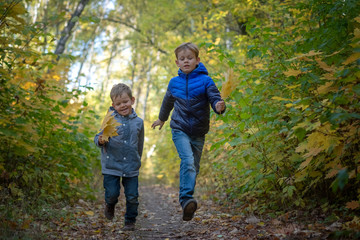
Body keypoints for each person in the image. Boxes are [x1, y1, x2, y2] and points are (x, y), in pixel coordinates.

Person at [151, 42, 226, 221]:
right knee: (188, 159)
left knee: (194, 167)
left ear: (197, 60)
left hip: (199, 131)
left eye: (189, 58)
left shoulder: (206, 80)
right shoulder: (174, 83)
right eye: (182, 59)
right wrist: (162, 119)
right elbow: (167, 102)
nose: (186, 61)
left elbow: (215, 98)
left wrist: (219, 106)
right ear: (177, 62)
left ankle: (187, 202)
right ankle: (186, 200)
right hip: (179, 128)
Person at [94, 83, 144, 231]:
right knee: (112, 194)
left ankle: (130, 221)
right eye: (118, 103)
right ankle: (110, 205)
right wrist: (100, 140)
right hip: (111, 165)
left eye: (125, 102)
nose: (123, 105)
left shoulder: (139, 122)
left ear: (132, 100)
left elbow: (139, 144)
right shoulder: (110, 120)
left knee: (132, 196)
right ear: (113, 105)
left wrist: (137, 159)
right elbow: (98, 137)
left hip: (131, 166)